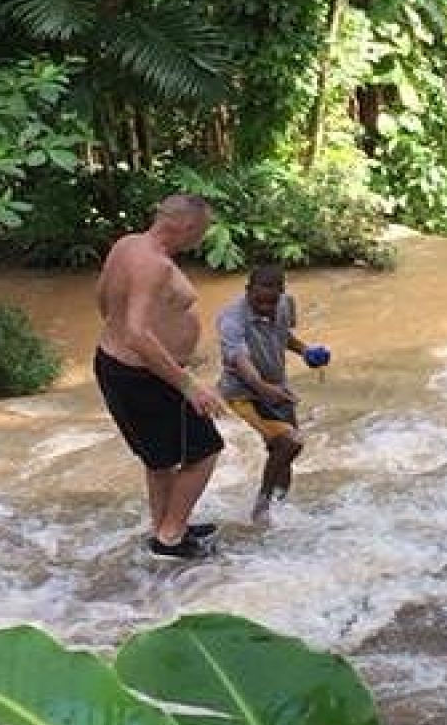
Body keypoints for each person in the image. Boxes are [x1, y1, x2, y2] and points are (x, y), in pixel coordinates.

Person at [95, 193, 228, 560]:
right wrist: (187, 383)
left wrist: (124, 331)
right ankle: (171, 537)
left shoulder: (127, 245)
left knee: (160, 458)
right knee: (205, 449)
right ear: (186, 226)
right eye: (201, 231)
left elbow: (104, 300)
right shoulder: (154, 265)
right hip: (145, 374)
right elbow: (137, 333)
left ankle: (166, 526)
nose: (200, 240)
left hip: (117, 365)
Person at [216, 264, 331, 523]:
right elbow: (238, 359)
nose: (266, 307)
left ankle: (279, 507)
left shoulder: (285, 304)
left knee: (286, 451)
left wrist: (305, 351)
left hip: (277, 386)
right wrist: (263, 387)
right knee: (289, 442)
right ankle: (262, 507)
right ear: (248, 291)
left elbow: (284, 335)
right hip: (243, 392)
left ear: (281, 293)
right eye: (259, 301)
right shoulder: (231, 319)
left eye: (272, 301)